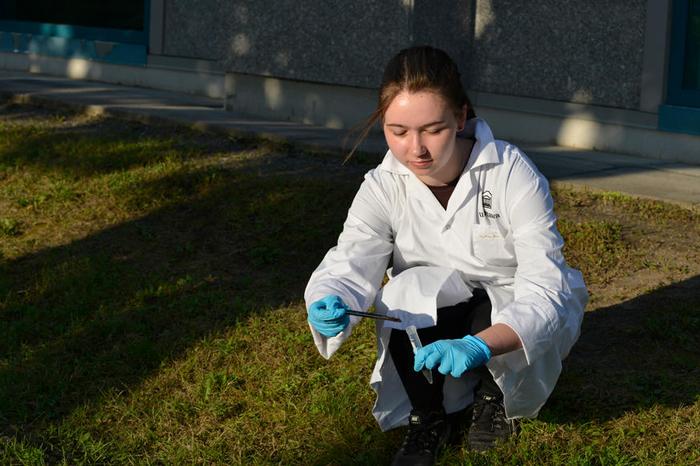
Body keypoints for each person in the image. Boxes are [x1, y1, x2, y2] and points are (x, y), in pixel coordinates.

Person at [304, 46, 588, 465]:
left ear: (460, 117)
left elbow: (545, 288)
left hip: (506, 312)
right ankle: (429, 416)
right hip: (438, 311)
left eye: (432, 129)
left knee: (504, 302)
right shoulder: (383, 184)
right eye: (397, 131)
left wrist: (479, 346)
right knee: (399, 295)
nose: (415, 149)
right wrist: (329, 299)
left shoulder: (511, 171)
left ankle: (493, 397)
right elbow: (353, 257)